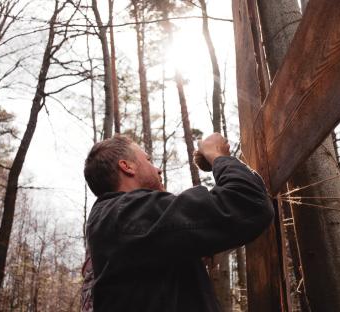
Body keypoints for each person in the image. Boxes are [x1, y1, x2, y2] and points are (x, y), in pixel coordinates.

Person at [81, 133, 274, 312]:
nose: (158, 168)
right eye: (148, 159)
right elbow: (248, 201)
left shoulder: (115, 222)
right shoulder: (125, 213)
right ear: (127, 166)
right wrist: (217, 155)